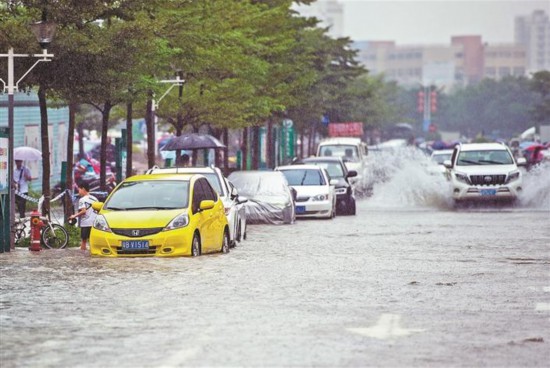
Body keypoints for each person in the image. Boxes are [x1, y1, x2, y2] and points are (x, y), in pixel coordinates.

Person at [69, 182, 98, 250]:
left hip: (86, 223)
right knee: (92, 241)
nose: (78, 191)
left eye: (79, 189)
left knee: (84, 241)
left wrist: (74, 216)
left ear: (83, 189)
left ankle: (83, 256)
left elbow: (83, 211)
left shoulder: (82, 200)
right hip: (94, 223)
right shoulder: (95, 199)